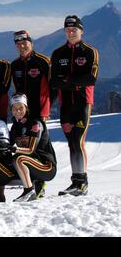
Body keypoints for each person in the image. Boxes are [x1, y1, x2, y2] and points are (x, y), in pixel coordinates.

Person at [50, 15, 99, 196]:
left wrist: (67, 80)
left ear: (81, 31)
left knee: (78, 141)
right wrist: (74, 82)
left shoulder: (89, 52)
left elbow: (90, 79)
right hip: (66, 105)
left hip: (83, 103)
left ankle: (82, 183)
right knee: (72, 143)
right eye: (68, 30)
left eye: (74, 30)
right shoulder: (57, 53)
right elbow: (54, 82)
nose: (71, 32)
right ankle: (75, 182)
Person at [9, 94, 57, 202]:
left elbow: (31, 150)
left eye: (21, 107)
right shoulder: (15, 126)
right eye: (14, 108)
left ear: (26, 108)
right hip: (32, 164)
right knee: (8, 162)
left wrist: (14, 149)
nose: (18, 111)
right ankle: (37, 185)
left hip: (46, 166)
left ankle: (29, 191)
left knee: (18, 158)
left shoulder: (35, 123)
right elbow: (7, 144)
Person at [11, 30, 51, 122]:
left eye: (24, 43)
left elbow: (53, 88)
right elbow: (16, 89)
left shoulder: (43, 61)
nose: (21, 46)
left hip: (40, 110)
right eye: (18, 44)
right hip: (22, 110)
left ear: (31, 43)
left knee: (40, 135)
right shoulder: (14, 64)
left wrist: (46, 110)